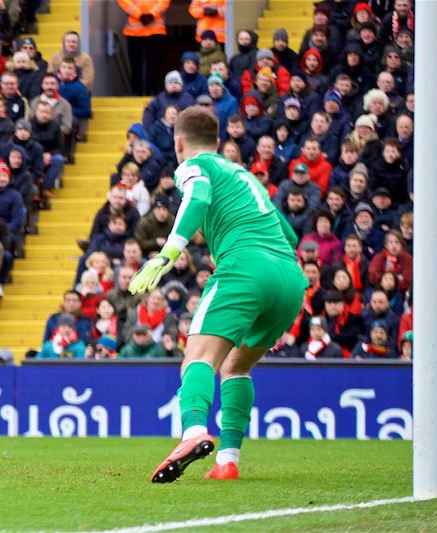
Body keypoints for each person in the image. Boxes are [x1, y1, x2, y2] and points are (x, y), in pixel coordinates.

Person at [129, 106, 306, 482]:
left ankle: (192, 432)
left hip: (244, 269)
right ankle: (227, 461)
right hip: (290, 279)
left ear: (179, 142)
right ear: (220, 141)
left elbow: (198, 197)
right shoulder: (246, 176)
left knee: (198, 359)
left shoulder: (195, 166)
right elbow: (289, 235)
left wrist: (167, 253)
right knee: (236, 366)